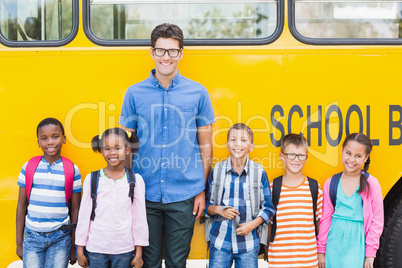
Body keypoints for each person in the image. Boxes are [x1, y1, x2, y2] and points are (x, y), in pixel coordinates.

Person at [119, 23, 215, 268]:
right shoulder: (134, 93)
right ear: (152, 52)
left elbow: (205, 147)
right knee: (147, 262)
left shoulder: (198, 92)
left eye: (172, 51)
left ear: (181, 53)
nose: (166, 57)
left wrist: (201, 189)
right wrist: (128, 188)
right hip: (144, 192)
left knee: (176, 262)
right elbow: (125, 147)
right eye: (160, 51)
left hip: (184, 195)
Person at [75, 128, 148, 268]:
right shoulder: (92, 179)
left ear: (127, 150)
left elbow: (140, 218)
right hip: (96, 248)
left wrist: (139, 253)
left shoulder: (136, 181)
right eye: (107, 148)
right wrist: (80, 249)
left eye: (117, 148)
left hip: (124, 249)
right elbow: (84, 217)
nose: (112, 152)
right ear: (102, 151)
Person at [205, 123, 275, 268]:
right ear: (227, 145)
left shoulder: (259, 172)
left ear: (251, 146)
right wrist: (218, 210)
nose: (238, 144)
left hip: (248, 245)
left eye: (243, 140)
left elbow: (268, 208)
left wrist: (252, 225)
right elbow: (206, 206)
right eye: (233, 140)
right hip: (220, 242)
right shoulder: (217, 171)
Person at [16, 118, 82, 268]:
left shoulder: (72, 169)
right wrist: (19, 243)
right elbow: (21, 206)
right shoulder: (28, 167)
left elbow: (75, 210)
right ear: (38, 142)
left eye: (55, 136)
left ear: (64, 139)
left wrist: (73, 246)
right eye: (44, 138)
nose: (50, 142)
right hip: (32, 236)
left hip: (61, 237)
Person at [317, 133, 384, 268]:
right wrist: (321, 250)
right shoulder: (331, 183)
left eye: (358, 156)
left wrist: (370, 253)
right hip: (334, 243)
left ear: (366, 158)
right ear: (342, 151)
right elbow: (326, 217)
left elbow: (377, 220)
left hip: (357, 243)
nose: (352, 159)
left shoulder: (371, 184)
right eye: (348, 153)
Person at [265, 133, 323, 268]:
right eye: (291, 155)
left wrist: (320, 252)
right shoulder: (273, 188)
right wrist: (267, 247)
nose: (296, 160)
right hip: (279, 260)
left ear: (306, 158)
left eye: (301, 155)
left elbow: (319, 225)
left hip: (308, 260)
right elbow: (269, 224)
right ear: (281, 156)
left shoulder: (314, 188)